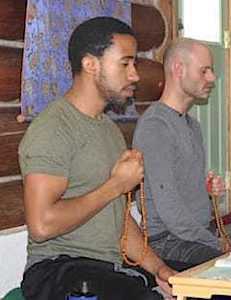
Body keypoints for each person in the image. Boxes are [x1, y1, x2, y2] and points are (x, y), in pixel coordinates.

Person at [18, 17, 176, 300]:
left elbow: (118, 218)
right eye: (125, 63)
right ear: (91, 64)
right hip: (59, 270)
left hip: (107, 270)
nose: (135, 75)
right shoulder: (53, 129)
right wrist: (115, 186)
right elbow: (41, 226)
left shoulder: (108, 129)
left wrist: (162, 270)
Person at [133, 38, 231, 266]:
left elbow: (183, 189)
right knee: (229, 268)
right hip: (167, 242)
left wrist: (206, 189)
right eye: (204, 71)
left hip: (195, 237)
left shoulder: (192, 125)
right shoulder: (156, 126)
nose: (211, 78)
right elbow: (169, 208)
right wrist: (212, 243)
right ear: (178, 69)